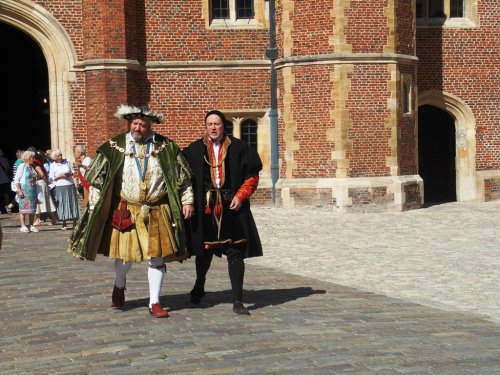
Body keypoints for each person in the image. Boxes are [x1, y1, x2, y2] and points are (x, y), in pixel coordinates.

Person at [68, 104, 194, 318]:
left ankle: (154, 302)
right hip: (127, 210)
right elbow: (98, 181)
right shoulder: (114, 147)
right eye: (135, 123)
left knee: (157, 257)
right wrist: (94, 206)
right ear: (129, 124)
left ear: (150, 125)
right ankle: (119, 284)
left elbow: (183, 179)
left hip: (157, 209)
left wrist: (187, 201)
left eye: (143, 124)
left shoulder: (167, 147)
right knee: (126, 258)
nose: (138, 127)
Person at [182, 110, 263, 315]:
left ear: (223, 125)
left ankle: (238, 301)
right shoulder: (194, 150)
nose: (213, 128)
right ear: (205, 126)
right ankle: (199, 285)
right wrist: (188, 203)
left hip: (232, 207)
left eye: (217, 124)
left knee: (235, 251)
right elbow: (185, 180)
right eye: (209, 124)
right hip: (205, 208)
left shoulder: (239, 148)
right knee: (205, 251)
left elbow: (252, 177)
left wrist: (241, 196)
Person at [49, 149, 80, 230]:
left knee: (72, 203)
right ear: (55, 157)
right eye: (58, 156)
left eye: (61, 155)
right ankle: (64, 223)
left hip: (69, 184)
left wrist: (68, 174)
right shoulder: (53, 165)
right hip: (59, 186)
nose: (60, 157)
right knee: (62, 204)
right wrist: (59, 176)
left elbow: (73, 172)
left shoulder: (67, 162)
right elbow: (51, 178)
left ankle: (75, 222)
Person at [13, 150, 40, 233]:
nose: (34, 159)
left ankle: (31, 225)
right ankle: (23, 225)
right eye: (32, 157)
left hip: (33, 190)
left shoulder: (32, 167)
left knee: (32, 209)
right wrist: (19, 190)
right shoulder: (22, 166)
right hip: (25, 189)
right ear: (28, 158)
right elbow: (16, 179)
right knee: (23, 208)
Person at [32, 150, 58, 226]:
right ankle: (53, 218)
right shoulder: (39, 163)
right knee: (47, 201)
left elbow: (41, 174)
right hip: (42, 183)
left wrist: (46, 181)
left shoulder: (35, 164)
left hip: (40, 183)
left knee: (39, 202)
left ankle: (37, 219)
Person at [0, 149, 10, 214]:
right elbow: (7, 168)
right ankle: (8, 207)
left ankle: (1, 209)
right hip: (5, 179)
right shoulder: (5, 159)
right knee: (6, 194)